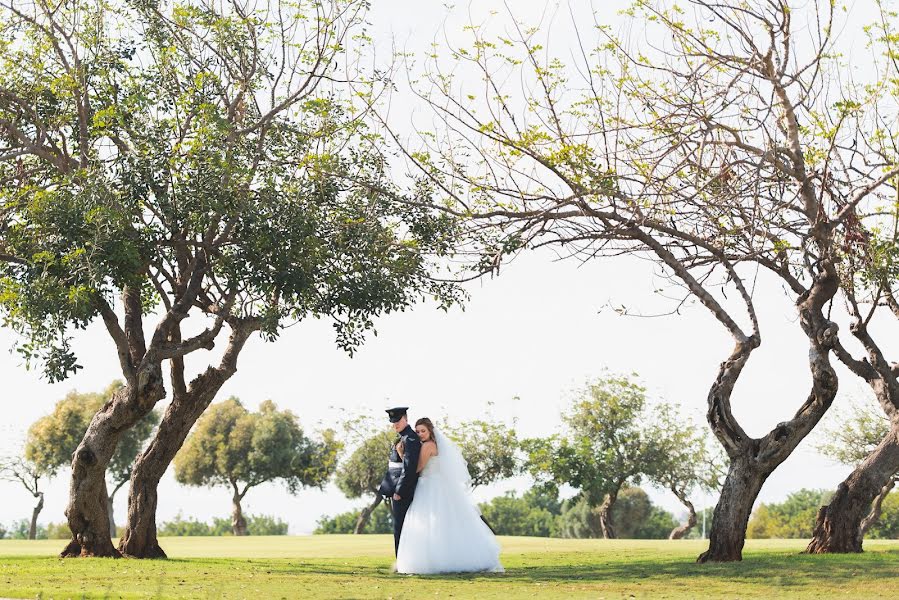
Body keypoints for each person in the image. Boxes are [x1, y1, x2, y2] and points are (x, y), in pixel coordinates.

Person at [394, 417, 504, 574]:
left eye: (423, 431)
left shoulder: (428, 446)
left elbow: (416, 468)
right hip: (434, 484)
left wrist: (401, 453)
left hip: (429, 486)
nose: (420, 434)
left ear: (430, 431)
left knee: (429, 523)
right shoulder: (433, 445)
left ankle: (435, 560)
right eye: (417, 431)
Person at [378, 406, 421, 555]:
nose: (395, 424)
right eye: (392, 421)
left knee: (401, 527)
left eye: (398, 420)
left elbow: (409, 468)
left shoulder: (410, 438)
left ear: (406, 418)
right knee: (399, 527)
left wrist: (399, 490)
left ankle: (403, 561)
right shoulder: (403, 436)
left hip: (403, 490)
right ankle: (402, 560)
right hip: (394, 485)